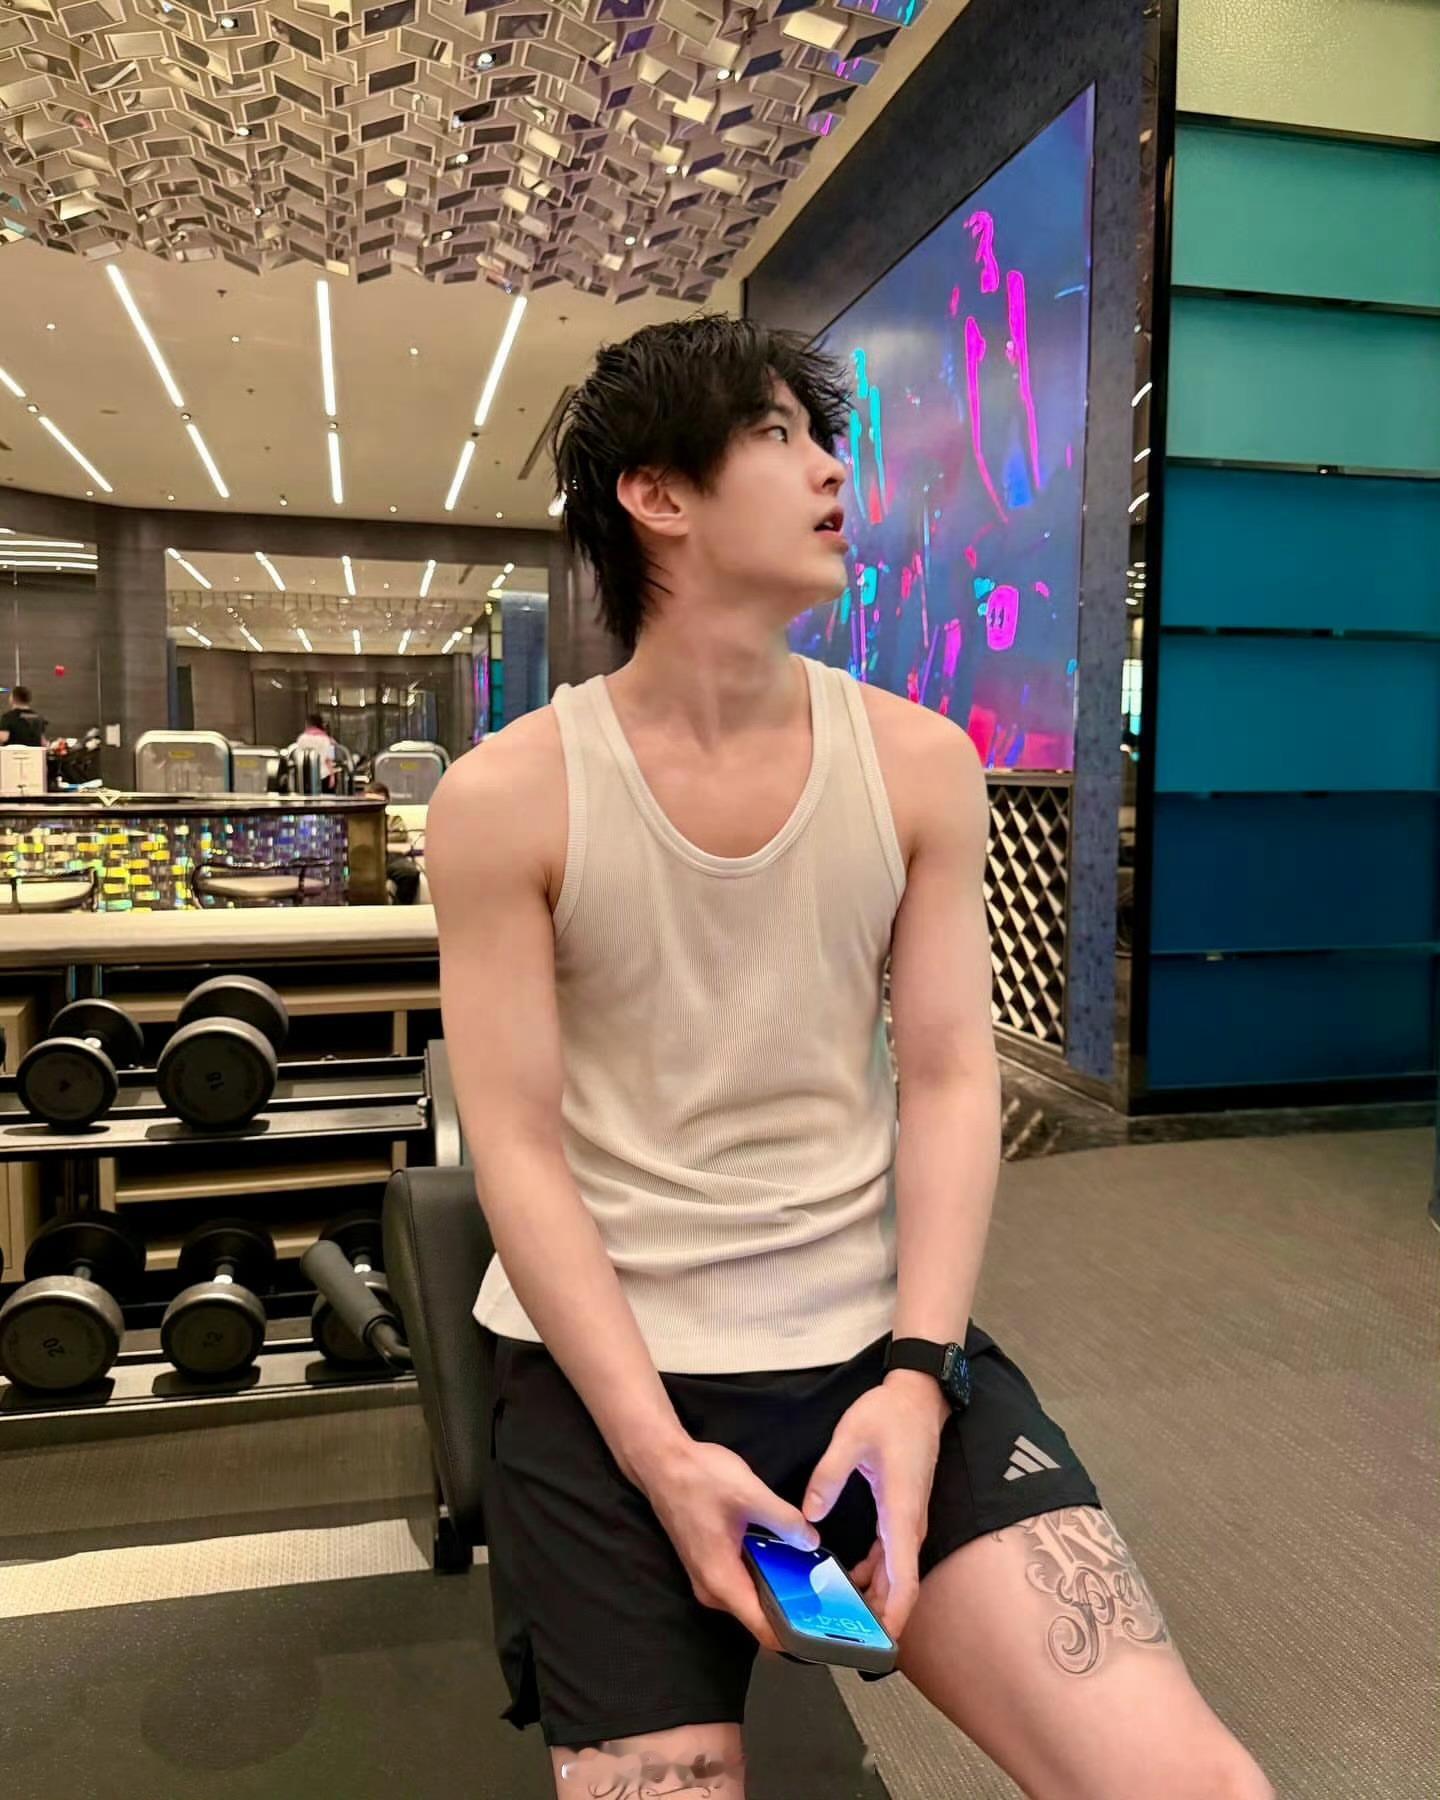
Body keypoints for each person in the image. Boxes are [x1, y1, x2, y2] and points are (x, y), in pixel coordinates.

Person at [426, 317, 1272, 1800]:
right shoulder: (508, 798)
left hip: (876, 1356)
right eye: (778, 435)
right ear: (656, 495)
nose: (833, 469)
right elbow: (517, 1146)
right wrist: (662, 1459)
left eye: (824, 438)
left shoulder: (918, 761)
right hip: (608, 1387)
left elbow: (947, 1077)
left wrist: (920, 1377)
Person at [365, 781, 421, 906]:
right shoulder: (359, 821)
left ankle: (400, 909)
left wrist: (374, 838)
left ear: (387, 801)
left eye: (379, 802)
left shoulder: (393, 820)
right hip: (365, 858)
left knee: (410, 873)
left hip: (390, 857)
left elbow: (400, 835)